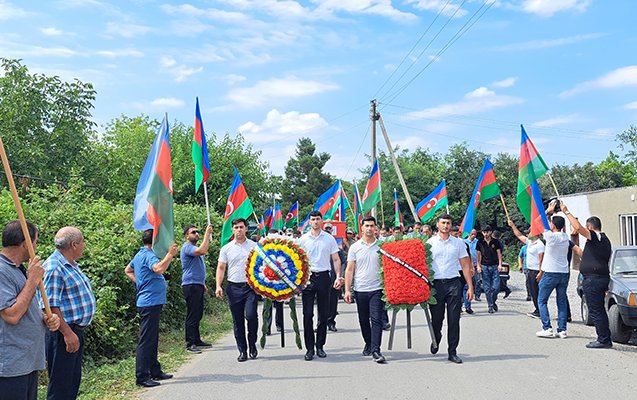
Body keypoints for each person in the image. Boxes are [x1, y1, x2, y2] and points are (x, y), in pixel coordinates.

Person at [0, 220, 60, 400]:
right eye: (35, 242)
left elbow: (25, 307)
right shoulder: (2, 270)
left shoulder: (20, 269)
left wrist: (45, 318)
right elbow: (11, 315)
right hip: (10, 366)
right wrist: (32, 281)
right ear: (25, 243)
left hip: (27, 361)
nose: (36, 246)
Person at [43, 226, 96, 399]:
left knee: (71, 383)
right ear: (74, 244)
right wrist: (67, 333)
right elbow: (50, 306)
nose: (84, 245)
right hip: (63, 334)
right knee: (61, 386)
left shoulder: (70, 264)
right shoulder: (54, 267)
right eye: (82, 242)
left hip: (74, 331)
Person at [125, 230, 178, 387]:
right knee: (146, 340)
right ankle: (142, 376)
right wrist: (169, 255)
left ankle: (155, 370)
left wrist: (139, 282)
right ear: (155, 242)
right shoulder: (149, 255)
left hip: (150, 302)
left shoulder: (139, 254)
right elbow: (158, 269)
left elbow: (128, 270)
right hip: (149, 303)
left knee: (152, 338)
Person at [561, 203, 613, 348]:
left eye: (586, 227)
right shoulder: (604, 240)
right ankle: (604, 337)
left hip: (594, 279)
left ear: (590, 227)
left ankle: (603, 340)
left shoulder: (596, 236)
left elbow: (578, 228)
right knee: (599, 309)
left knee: (596, 310)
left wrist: (566, 212)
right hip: (598, 278)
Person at [427, 214, 474, 364]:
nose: (446, 226)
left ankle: (452, 351)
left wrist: (470, 287)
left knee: (454, 320)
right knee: (437, 319)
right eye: (443, 223)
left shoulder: (458, 244)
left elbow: (465, 266)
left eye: (448, 223)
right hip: (436, 285)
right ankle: (436, 337)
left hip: (454, 283)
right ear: (437, 225)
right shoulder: (430, 243)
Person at [296, 211, 342, 361]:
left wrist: (338, 276)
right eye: (313, 219)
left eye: (318, 219)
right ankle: (309, 348)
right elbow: (297, 261)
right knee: (307, 314)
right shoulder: (302, 240)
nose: (315, 222)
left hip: (324, 277)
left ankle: (320, 345)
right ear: (309, 222)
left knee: (323, 314)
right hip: (308, 278)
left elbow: (335, 259)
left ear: (322, 221)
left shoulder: (329, 239)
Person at [344, 216, 386, 363]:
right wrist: (347, 290)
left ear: (376, 228)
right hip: (360, 288)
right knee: (363, 320)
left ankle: (376, 350)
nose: (369, 229)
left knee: (376, 319)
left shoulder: (381, 246)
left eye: (372, 226)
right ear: (361, 228)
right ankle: (368, 343)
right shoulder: (355, 247)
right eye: (366, 226)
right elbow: (349, 269)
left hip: (377, 288)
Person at [215, 218, 259, 362]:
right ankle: (242, 350)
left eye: (241, 227)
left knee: (251, 316)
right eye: (236, 227)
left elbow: (261, 266)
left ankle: (252, 344)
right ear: (232, 230)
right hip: (233, 287)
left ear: (246, 229)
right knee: (237, 320)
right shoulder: (226, 248)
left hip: (250, 287)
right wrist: (218, 285)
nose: (239, 230)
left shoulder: (254, 246)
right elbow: (221, 267)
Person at [535, 201, 571, 339]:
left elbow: (537, 221)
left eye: (551, 223)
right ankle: (562, 330)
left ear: (553, 225)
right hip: (564, 273)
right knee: (561, 301)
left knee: (542, 300)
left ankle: (547, 327)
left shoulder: (550, 236)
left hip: (550, 272)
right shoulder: (565, 237)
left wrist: (547, 211)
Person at [180, 224, 213, 353]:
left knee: (198, 313)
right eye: (193, 232)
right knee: (192, 314)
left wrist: (202, 283)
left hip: (197, 283)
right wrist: (207, 234)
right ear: (187, 236)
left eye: (197, 232)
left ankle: (197, 339)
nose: (196, 234)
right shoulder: (187, 247)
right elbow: (203, 250)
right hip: (190, 285)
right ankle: (190, 342)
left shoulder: (193, 247)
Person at [508, 220, 544, 319]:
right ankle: (537, 309)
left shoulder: (539, 244)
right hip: (529, 270)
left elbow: (542, 259)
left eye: (530, 232)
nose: (528, 234)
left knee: (537, 292)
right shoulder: (529, 242)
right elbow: (519, 235)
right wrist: (513, 226)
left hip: (536, 271)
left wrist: (541, 272)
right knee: (532, 291)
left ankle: (540, 311)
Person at [476, 225, 503, 314]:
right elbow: (478, 255)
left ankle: (493, 300)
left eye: (487, 232)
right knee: (487, 288)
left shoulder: (496, 242)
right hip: (484, 266)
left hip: (494, 266)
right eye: (484, 232)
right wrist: (478, 266)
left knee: (496, 287)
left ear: (490, 232)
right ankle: (490, 306)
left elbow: (499, 253)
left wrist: (500, 264)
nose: (485, 234)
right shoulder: (480, 242)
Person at [464, 229, 482, 301]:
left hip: (476, 263)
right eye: (472, 234)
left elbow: (480, 253)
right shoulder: (464, 242)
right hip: (467, 265)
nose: (473, 235)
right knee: (468, 281)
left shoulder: (478, 242)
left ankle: (477, 295)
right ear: (468, 234)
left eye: (475, 234)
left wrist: (479, 264)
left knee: (477, 280)